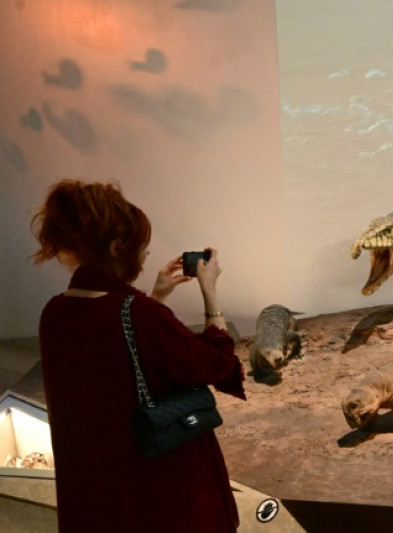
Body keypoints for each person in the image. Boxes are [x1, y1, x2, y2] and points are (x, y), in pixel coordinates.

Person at [32, 179, 246, 532]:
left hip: (97, 491)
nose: (146, 255)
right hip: (156, 486)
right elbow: (214, 364)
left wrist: (155, 297)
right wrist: (210, 293)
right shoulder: (139, 313)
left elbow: (112, 357)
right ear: (118, 247)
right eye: (142, 247)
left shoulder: (54, 312)